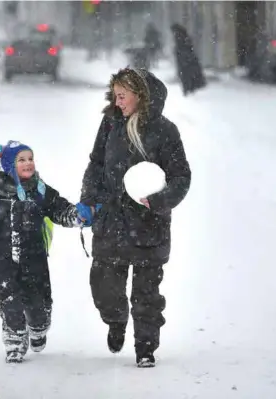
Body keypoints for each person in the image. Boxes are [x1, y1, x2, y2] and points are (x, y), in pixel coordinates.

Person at [80, 67, 191, 368]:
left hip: (148, 226)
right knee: (105, 289)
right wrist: (88, 201)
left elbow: (181, 177)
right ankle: (116, 321)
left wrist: (158, 200)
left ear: (139, 96)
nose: (116, 103)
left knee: (147, 295)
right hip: (111, 223)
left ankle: (145, 347)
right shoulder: (110, 124)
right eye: (114, 96)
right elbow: (96, 165)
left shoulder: (165, 131)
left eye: (122, 96)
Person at [0, 140, 95, 364]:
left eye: (30, 158)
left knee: (38, 303)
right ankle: (15, 342)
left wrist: (78, 215)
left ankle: (38, 328)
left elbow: (60, 209)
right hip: (4, 259)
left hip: (35, 258)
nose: (28, 163)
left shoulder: (40, 191)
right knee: (8, 299)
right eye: (21, 160)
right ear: (9, 166)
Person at [170, 23, 206, 96]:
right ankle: (190, 89)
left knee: (185, 75)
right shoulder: (183, 35)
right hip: (187, 59)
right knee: (188, 75)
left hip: (184, 60)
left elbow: (183, 47)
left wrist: (179, 52)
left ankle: (188, 90)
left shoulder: (179, 36)